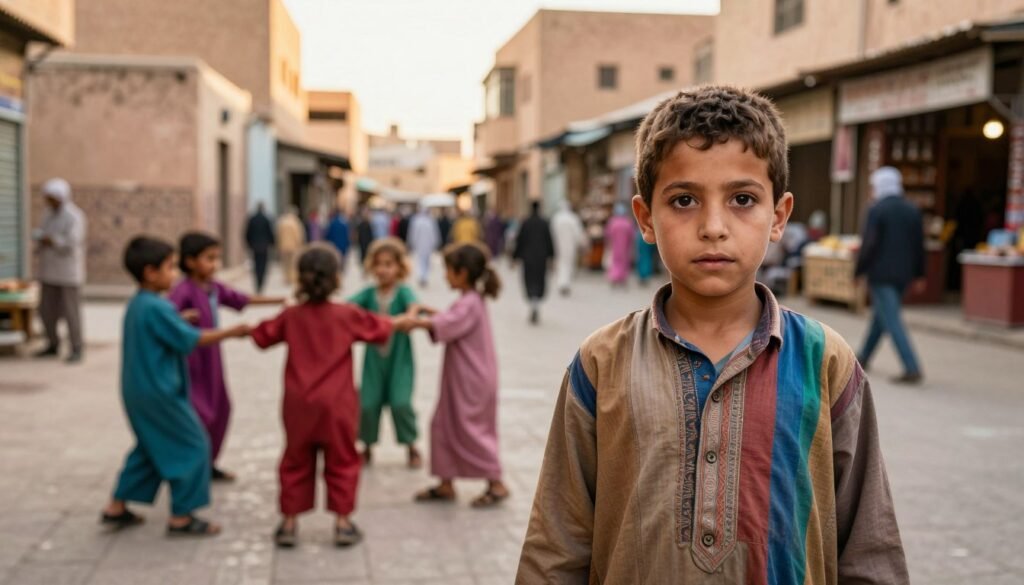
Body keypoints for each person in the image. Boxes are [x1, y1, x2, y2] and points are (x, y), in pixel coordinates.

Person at [517, 85, 908, 583]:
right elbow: (556, 546)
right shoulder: (602, 362)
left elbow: (870, 548)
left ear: (778, 216)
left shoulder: (824, 360)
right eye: (684, 200)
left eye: (743, 199)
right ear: (645, 219)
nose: (714, 227)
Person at [250, 244, 412, 548]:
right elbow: (380, 330)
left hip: (298, 404)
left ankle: (289, 523)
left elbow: (262, 337)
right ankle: (342, 523)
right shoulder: (346, 315)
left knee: (295, 459)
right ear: (336, 278)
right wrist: (403, 320)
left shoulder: (292, 315)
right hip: (338, 404)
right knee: (343, 459)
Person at [100, 236, 250, 537]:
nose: (174, 274)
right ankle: (182, 516)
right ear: (150, 272)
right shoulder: (157, 307)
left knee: (150, 446)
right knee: (194, 444)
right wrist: (232, 332)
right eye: (169, 267)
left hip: (138, 391)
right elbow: (189, 339)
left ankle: (117, 506)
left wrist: (178, 319)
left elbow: (166, 330)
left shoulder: (141, 304)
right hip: (160, 393)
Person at [169, 232, 285, 482]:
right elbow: (167, 320)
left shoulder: (213, 288)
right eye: (209, 258)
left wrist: (281, 300)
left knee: (221, 409)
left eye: (216, 258)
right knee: (199, 414)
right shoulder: (183, 291)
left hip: (213, 361)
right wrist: (182, 319)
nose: (215, 264)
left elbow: (242, 299)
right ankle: (190, 467)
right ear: (190, 261)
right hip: (192, 363)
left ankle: (208, 463)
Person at [407, 243, 509, 508]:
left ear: (462, 273)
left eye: (448, 270)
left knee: (471, 431)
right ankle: (446, 483)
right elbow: (451, 319)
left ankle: (496, 482)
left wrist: (414, 322)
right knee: (443, 425)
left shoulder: (470, 302)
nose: (445, 275)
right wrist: (431, 314)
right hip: (465, 379)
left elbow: (448, 324)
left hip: (470, 381)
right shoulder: (469, 300)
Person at [348, 238, 422, 468]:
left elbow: (414, 306)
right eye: (378, 264)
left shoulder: (403, 292)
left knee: (401, 403)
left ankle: (411, 446)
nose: (383, 269)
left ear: (400, 267)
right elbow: (348, 307)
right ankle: (367, 446)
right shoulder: (369, 294)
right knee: (368, 404)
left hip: (400, 359)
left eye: (389, 264)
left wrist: (410, 317)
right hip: (373, 360)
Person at [855, 166, 926, 385]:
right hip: (904, 275)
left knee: (891, 319)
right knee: (881, 317)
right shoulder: (912, 209)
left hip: (881, 275)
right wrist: (919, 274)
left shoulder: (877, 209)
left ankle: (912, 367)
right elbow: (919, 246)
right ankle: (862, 357)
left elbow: (869, 244)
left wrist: (859, 271)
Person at [34, 178, 87, 363]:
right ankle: (52, 343)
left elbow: (73, 241)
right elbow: (42, 233)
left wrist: (53, 240)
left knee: (71, 313)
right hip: (49, 271)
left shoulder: (74, 216)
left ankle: (76, 347)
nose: (49, 202)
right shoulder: (47, 215)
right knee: (46, 311)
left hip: (68, 273)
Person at [513, 201, 554, 325]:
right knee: (539, 281)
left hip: (528, 258)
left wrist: (515, 257)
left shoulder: (526, 222)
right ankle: (536, 303)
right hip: (541, 258)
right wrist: (551, 257)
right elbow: (549, 241)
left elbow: (520, 240)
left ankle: (533, 303)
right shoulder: (544, 223)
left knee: (530, 281)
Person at [551, 201, 587, 297]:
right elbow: (578, 232)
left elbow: (552, 233)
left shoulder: (556, 218)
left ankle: (562, 283)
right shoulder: (573, 218)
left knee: (561, 263)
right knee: (568, 264)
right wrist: (581, 243)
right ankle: (565, 283)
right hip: (570, 245)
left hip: (558, 245)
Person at [407, 205, 442, 287]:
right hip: (423, 244)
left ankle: (424, 276)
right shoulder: (423, 221)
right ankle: (423, 276)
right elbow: (414, 233)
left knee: (424, 261)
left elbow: (433, 233)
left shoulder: (424, 220)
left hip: (424, 244)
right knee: (423, 261)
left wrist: (412, 242)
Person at [244, 203, 275, 294]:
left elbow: (247, 233)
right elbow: (270, 232)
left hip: (255, 246)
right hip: (264, 246)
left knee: (256, 265)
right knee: (263, 265)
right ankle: (261, 282)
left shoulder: (252, 219)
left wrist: (249, 244)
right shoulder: (266, 219)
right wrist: (272, 243)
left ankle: (257, 282)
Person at [604, 203, 635, 287]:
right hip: (625, 247)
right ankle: (622, 278)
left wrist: (608, 244)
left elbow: (607, 234)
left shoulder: (612, 222)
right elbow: (632, 235)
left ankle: (614, 277)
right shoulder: (628, 223)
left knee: (615, 261)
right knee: (624, 262)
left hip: (615, 247)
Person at [275, 206, 305, 285]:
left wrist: (278, 245)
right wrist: (300, 244)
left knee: (285, 263)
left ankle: (286, 277)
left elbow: (278, 235)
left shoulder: (282, 222)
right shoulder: (296, 222)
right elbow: (298, 235)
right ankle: (291, 278)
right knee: (293, 263)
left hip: (283, 246)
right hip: (293, 246)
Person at [324, 209, 352, 273]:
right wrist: (348, 245)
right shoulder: (344, 224)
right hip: (342, 246)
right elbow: (347, 236)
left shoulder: (332, 223)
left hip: (334, 246)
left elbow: (328, 235)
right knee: (342, 261)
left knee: (335, 260)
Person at [634, 221, 656, 286]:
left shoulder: (639, 231)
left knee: (642, 259)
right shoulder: (650, 230)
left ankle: (642, 276)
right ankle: (645, 276)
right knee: (647, 259)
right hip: (647, 248)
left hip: (642, 248)